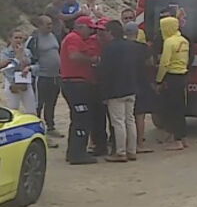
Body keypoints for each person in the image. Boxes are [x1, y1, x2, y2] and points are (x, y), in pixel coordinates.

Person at [61, 16, 101, 164]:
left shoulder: (77, 39)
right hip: (76, 83)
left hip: (76, 83)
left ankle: (74, 152)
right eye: (89, 28)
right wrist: (91, 60)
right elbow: (73, 56)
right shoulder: (74, 38)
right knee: (81, 119)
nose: (90, 32)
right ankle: (77, 154)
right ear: (80, 27)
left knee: (78, 118)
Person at [98, 20, 138, 162]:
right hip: (131, 87)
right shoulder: (131, 46)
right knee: (130, 120)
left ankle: (121, 152)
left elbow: (105, 72)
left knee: (118, 122)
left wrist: (104, 92)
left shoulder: (109, 48)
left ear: (110, 32)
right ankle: (132, 150)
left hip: (115, 89)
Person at [156, 16, 190, 151]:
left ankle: (177, 141)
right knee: (180, 109)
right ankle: (184, 138)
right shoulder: (184, 41)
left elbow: (165, 63)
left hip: (172, 77)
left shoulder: (169, 42)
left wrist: (159, 80)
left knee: (172, 109)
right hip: (183, 76)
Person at [26, 15, 63, 137]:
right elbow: (27, 56)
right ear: (39, 25)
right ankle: (35, 128)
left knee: (51, 102)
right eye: (47, 24)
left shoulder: (53, 36)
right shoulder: (34, 39)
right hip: (41, 76)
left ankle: (50, 127)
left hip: (55, 76)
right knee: (38, 103)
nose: (50, 26)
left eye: (51, 23)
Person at [124, 22, 156, 153]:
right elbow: (150, 63)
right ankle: (140, 144)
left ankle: (127, 144)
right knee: (140, 115)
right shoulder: (143, 48)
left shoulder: (122, 47)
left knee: (126, 116)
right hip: (141, 82)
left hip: (126, 82)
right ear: (137, 33)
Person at [1, 29, 37, 114]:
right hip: (12, 82)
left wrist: (22, 56)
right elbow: (7, 68)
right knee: (13, 110)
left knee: (31, 110)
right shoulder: (5, 52)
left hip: (25, 82)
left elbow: (30, 64)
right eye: (16, 38)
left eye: (20, 38)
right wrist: (17, 56)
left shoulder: (27, 51)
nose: (18, 40)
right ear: (10, 39)